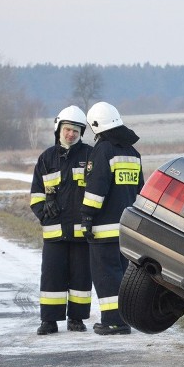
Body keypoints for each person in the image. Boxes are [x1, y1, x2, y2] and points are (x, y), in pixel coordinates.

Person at [30, 106, 94, 335]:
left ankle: (76, 319)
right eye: (67, 129)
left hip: (81, 233)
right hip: (55, 233)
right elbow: (36, 194)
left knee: (81, 278)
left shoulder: (90, 156)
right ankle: (49, 321)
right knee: (51, 278)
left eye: (76, 131)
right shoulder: (46, 158)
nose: (71, 134)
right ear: (59, 129)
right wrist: (43, 212)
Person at [81, 102, 144, 335]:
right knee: (122, 273)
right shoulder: (133, 153)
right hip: (126, 228)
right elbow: (140, 190)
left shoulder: (103, 150)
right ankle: (124, 319)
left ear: (96, 125)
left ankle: (113, 321)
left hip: (103, 228)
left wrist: (87, 217)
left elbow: (96, 189)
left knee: (106, 275)